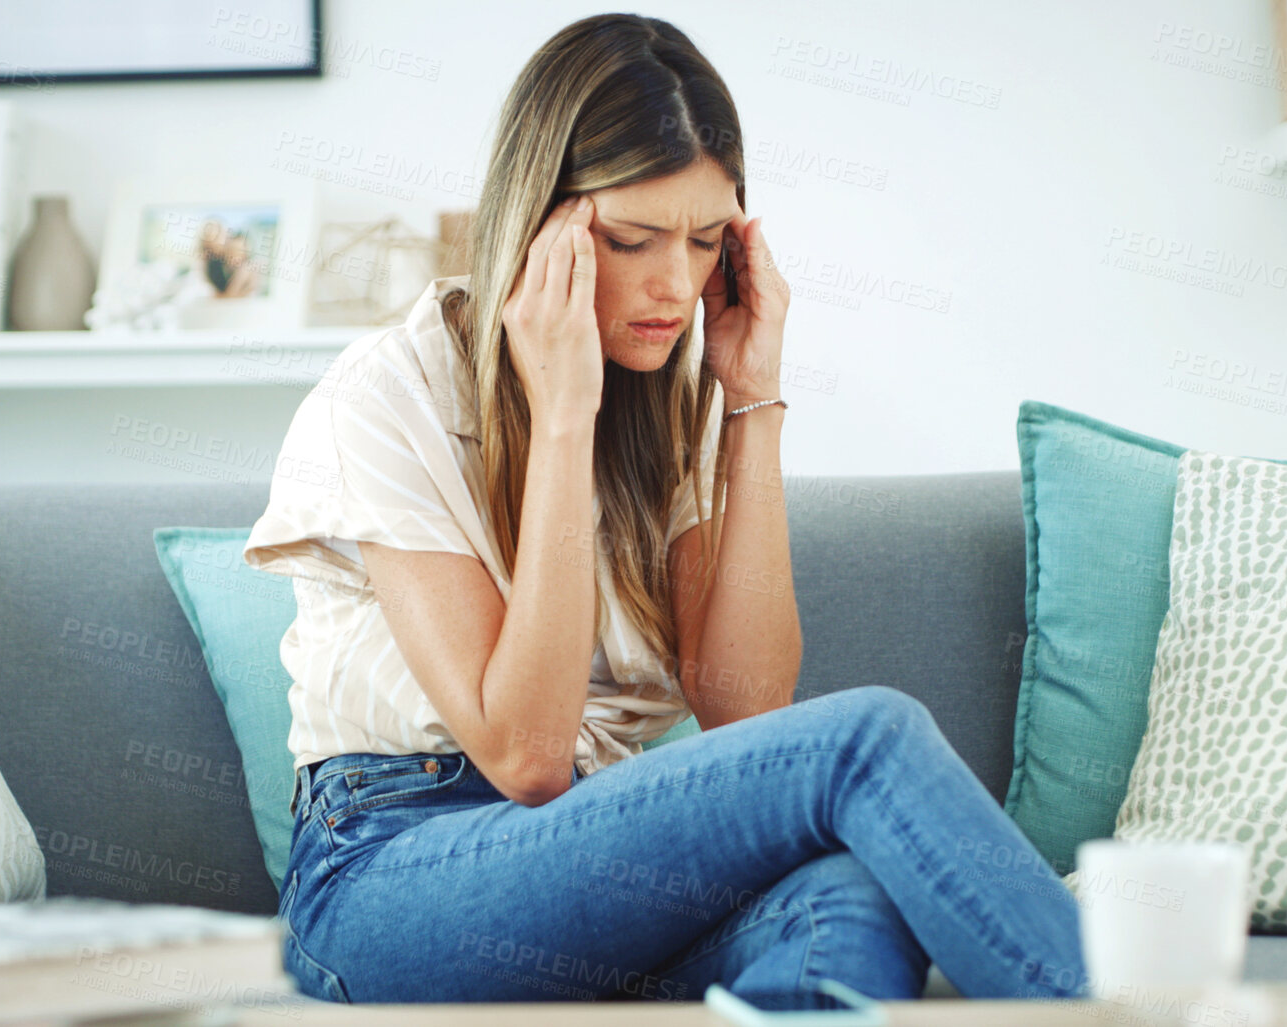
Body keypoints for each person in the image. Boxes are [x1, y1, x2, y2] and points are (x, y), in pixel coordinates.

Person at [241, 12, 1088, 1006]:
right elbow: (524, 757)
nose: (674, 285)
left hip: (599, 866)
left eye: (704, 241)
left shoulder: (663, 405)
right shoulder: (389, 392)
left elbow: (743, 709)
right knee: (864, 741)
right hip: (391, 872)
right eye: (632, 239)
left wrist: (751, 399)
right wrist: (561, 422)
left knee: (844, 896)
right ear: (539, 222)